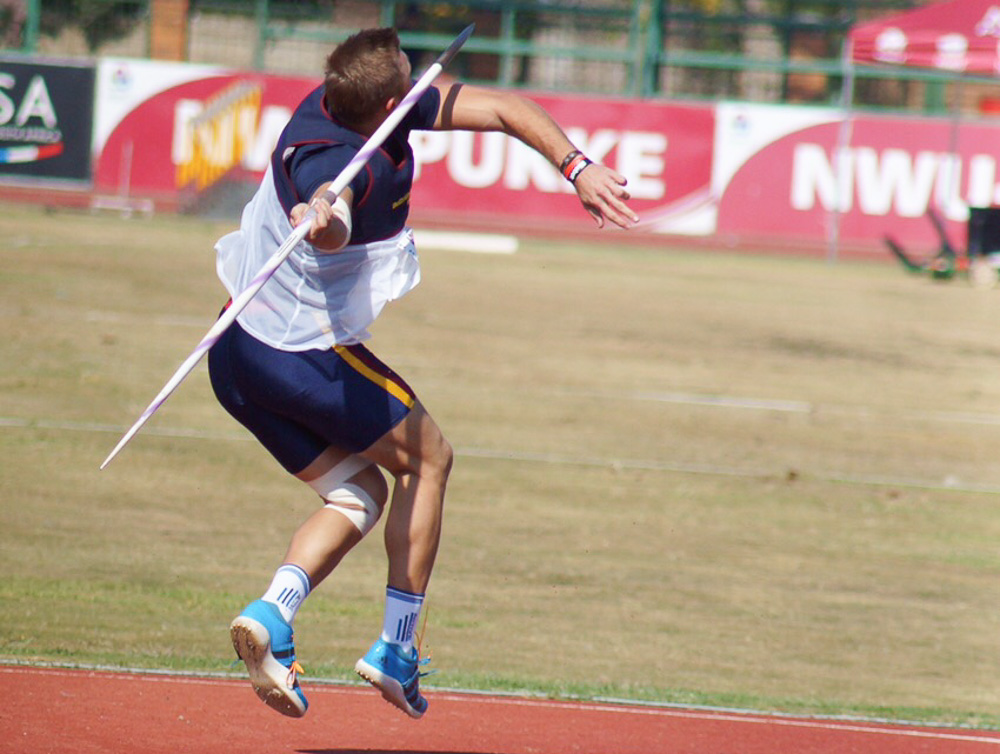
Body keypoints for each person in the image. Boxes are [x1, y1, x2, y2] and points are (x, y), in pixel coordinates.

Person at [207, 27, 638, 721]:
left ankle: (272, 616)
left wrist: (576, 165)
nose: (419, 88)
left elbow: (505, 110)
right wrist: (321, 216)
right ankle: (395, 649)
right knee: (431, 460)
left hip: (232, 351)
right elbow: (335, 214)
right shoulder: (348, 166)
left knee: (357, 497)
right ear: (384, 106)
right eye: (406, 82)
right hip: (297, 358)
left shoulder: (343, 107)